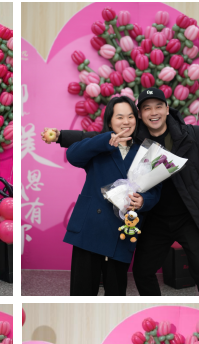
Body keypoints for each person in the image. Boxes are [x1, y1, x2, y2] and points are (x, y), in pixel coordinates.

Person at [43, 87, 199, 296]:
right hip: (154, 220)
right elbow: (92, 138)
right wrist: (61, 136)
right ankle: (156, 308)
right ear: (141, 114)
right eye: (147, 108)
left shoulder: (190, 135)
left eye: (158, 107)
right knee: (141, 272)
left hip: (188, 217)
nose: (153, 113)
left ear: (167, 109)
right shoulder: (135, 138)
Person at [63, 96, 162, 295]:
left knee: (116, 293)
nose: (126, 122)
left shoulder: (146, 153)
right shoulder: (99, 145)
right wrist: (105, 140)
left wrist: (143, 201)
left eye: (130, 117)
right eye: (120, 117)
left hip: (122, 232)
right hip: (89, 229)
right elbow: (72, 155)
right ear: (110, 121)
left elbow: (155, 191)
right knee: (82, 293)